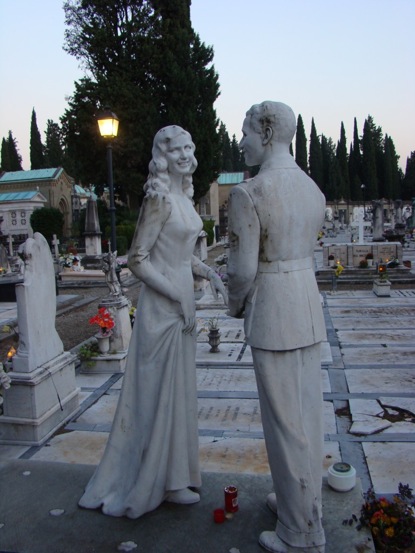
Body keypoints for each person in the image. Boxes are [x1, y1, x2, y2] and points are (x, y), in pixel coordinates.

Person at [79, 125, 227, 518]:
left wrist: (210, 275)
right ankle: (152, 479)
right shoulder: (159, 199)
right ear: (162, 155)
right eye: (174, 149)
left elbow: (180, 256)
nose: (183, 154)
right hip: (162, 309)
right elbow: (137, 259)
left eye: (186, 147)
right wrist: (178, 294)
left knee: (178, 393)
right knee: (157, 396)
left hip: (183, 306)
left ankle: (174, 478)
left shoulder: (182, 196)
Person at [227, 102, 326, 553]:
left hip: (273, 309)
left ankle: (299, 533)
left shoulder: (251, 192)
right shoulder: (312, 190)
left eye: (245, 132)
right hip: (306, 304)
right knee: (306, 416)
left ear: (266, 133)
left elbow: (242, 271)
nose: (240, 141)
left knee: (284, 423)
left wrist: (233, 305)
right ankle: (298, 502)